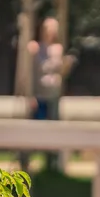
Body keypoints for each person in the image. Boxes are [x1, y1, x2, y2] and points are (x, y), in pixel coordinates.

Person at [25, 17, 76, 173]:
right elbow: (30, 73)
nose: (51, 31)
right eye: (48, 28)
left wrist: (67, 64)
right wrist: (30, 95)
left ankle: (51, 164)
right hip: (39, 94)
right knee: (36, 129)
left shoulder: (58, 49)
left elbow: (61, 72)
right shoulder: (34, 48)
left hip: (53, 94)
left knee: (54, 129)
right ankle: (29, 162)